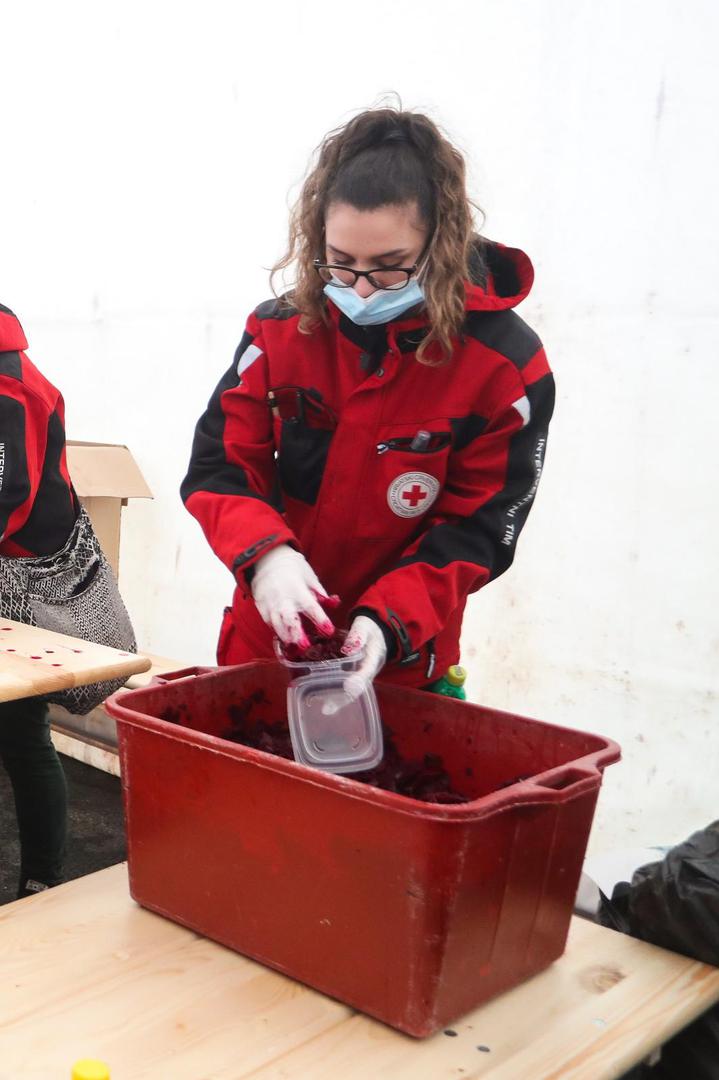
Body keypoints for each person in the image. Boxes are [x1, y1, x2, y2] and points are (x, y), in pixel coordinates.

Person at [181, 106, 554, 693]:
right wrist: (267, 558)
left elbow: (478, 528)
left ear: (442, 244)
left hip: (401, 661)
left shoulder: (505, 368)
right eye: (341, 263)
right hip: (270, 639)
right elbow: (220, 469)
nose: (359, 288)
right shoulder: (278, 333)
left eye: (389, 268)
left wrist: (388, 621)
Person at [0, 301, 79, 897]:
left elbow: (10, 496)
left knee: (24, 735)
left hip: (20, 581)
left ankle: (41, 881)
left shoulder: (12, 384)